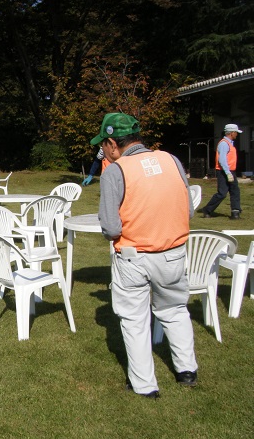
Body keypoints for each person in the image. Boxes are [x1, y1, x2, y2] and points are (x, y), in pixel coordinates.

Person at [92, 113, 197, 399]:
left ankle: (144, 385)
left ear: (113, 142)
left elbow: (111, 227)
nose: (104, 150)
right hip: (174, 252)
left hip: (133, 256)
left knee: (135, 320)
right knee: (175, 310)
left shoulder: (115, 170)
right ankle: (186, 370)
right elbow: (187, 210)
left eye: (104, 144)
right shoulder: (172, 160)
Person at [200, 123, 242, 220]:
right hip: (224, 171)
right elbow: (222, 160)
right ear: (231, 133)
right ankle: (207, 210)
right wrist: (227, 173)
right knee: (222, 193)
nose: (237, 134)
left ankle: (235, 213)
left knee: (235, 191)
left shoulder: (229, 143)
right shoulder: (224, 144)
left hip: (231, 171)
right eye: (236, 132)